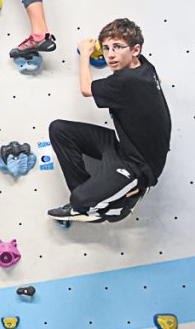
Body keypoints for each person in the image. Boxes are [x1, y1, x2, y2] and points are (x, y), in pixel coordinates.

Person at [46, 19, 170, 223]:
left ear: (135, 49)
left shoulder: (126, 81)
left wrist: (85, 53)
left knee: (78, 200)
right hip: (125, 146)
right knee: (60, 130)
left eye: (118, 47)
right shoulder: (145, 67)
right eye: (105, 48)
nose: (110, 55)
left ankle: (110, 206)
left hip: (139, 166)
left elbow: (87, 89)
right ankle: (87, 200)